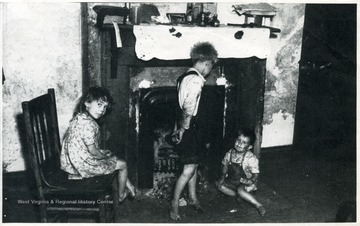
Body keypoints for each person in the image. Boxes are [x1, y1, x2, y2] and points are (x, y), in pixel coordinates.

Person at [60, 86, 136, 203]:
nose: (102, 110)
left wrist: (106, 156)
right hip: (83, 166)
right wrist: (105, 158)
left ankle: (129, 186)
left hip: (72, 162)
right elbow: (93, 151)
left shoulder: (80, 117)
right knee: (123, 164)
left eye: (105, 107)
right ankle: (121, 195)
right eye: (99, 105)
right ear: (87, 103)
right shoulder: (88, 125)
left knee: (110, 155)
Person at [169, 42, 218, 221]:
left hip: (189, 127)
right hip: (190, 129)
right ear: (207, 62)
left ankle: (193, 198)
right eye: (211, 65)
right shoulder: (197, 80)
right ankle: (174, 204)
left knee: (194, 164)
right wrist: (182, 129)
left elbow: (179, 107)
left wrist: (179, 126)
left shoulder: (184, 77)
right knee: (189, 169)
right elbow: (188, 107)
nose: (210, 69)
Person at [215, 128, 266, 216]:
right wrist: (222, 178)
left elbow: (255, 173)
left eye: (244, 142)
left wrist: (251, 180)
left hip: (245, 182)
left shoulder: (251, 158)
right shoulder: (229, 153)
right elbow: (225, 166)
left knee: (240, 190)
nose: (239, 143)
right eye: (238, 140)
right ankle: (239, 196)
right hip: (231, 181)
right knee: (218, 185)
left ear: (249, 147)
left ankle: (257, 205)